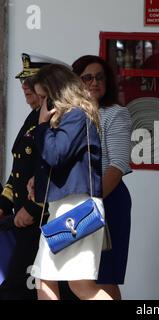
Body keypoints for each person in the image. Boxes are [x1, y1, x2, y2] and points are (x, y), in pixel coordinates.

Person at [30, 64, 112, 300]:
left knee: (76, 284)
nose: (42, 103)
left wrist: (43, 125)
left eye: (45, 97)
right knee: (49, 277)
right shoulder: (75, 117)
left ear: (57, 93)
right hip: (69, 207)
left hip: (74, 209)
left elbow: (56, 154)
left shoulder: (76, 116)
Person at [0, 53, 66, 300]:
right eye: (24, 83)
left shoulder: (55, 119)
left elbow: (50, 167)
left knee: (18, 289)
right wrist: (4, 203)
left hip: (42, 219)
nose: (25, 88)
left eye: (32, 82)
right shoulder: (34, 116)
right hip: (24, 219)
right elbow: (20, 170)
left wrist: (32, 207)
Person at [72, 55, 132, 300]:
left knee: (102, 276)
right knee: (75, 276)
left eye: (99, 77)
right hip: (77, 201)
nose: (94, 82)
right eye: (87, 77)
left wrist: (91, 204)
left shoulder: (115, 114)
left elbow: (117, 167)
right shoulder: (72, 115)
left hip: (106, 199)